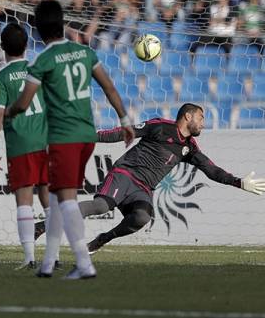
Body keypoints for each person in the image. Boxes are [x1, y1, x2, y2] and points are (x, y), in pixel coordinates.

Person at [5, 0, 134, 280]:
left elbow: (24, 102)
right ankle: (48, 263)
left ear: (38, 29)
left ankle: (84, 264)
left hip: (64, 138)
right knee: (54, 196)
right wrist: (125, 120)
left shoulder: (43, 60)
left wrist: (9, 111)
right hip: (87, 135)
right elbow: (109, 87)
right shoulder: (84, 52)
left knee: (66, 200)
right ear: (63, 24)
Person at [80, 103, 265, 253]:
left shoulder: (189, 147)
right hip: (125, 174)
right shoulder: (160, 126)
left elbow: (211, 170)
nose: (203, 123)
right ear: (188, 116)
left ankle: (103, 239)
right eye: (201, 117)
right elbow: (123, 133)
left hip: (144, 189)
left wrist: (238, 182)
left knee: (142, 217)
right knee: (101, 206)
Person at [0, 23, 50, 270]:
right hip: (45, 140)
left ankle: (29, 257)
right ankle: (54, 255)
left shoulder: (2, 76)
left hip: (20, 142)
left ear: (3, 48)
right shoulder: (39, 69)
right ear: (26, 45)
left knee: (24, 200)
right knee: (49, 198)